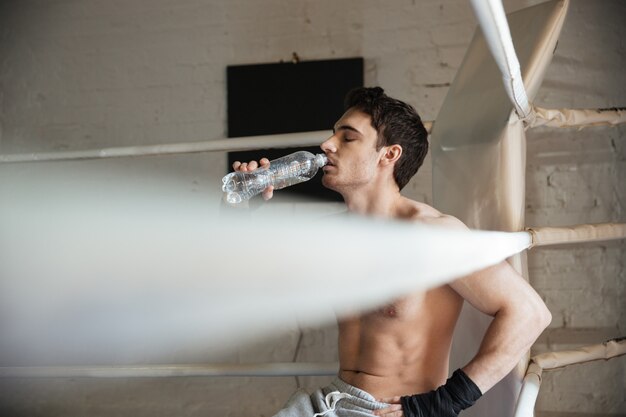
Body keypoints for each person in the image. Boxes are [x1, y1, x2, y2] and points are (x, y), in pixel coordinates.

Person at [229, 87, 551, 417]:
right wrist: (242, 208)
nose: (327, 145)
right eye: (333, 134)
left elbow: (530, 314)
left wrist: (446, 402)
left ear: (389, 155)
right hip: (329, 402)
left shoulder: (431, 234)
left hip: (392, 411)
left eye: (348, 137)